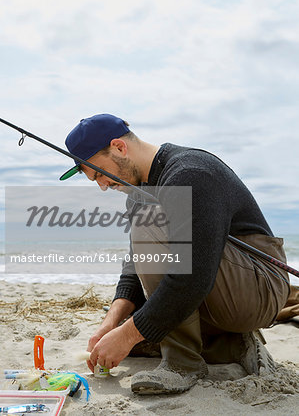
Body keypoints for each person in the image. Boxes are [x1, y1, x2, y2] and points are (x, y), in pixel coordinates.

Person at [60, 113, 291, 394]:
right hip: (220, 286)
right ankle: (229, 344)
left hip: (260, 286)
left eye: (100, 173)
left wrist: (129, 333)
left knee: (150, 223)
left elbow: (192, 276)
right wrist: (109, 325)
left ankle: (183, 364)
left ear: (119, 147)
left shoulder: (189, 174)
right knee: (130, 330)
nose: (103, 186)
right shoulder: (138, 193)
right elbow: (135, 267)